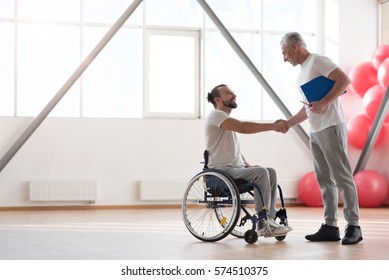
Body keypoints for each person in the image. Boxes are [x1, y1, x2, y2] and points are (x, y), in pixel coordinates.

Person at [279, 32, 363, 245]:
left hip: (331, 126)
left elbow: (344, 80)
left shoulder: (317, 60)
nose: (284, 58)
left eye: (284, 52)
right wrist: (289, 122)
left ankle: (354, 225)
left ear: (295, 46)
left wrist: (325, 102)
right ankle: (330, 226)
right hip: (316, 130)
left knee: (342, 176)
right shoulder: (303, 72)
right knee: (324, 179)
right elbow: (309, 107)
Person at [205, 84, 290, 237]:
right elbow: (243, 127)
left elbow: (233, 149)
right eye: (228, 93)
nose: (233, 95)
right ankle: (263, 222)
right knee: (261, 172)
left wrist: (247, 165)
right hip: (221, 170)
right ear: (217, 99)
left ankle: (270, 218)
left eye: (233, 92)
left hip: (234, 169)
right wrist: (273, 126)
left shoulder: (225, 120)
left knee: (269, 172)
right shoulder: (215, 115)